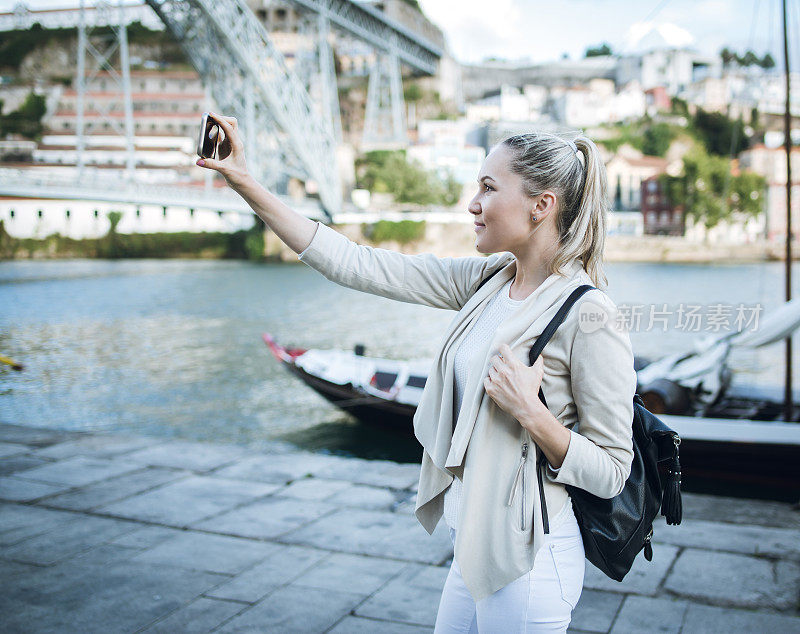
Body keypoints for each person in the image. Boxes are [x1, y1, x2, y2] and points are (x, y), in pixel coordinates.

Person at [196, 112, 637, 633]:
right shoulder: (488, 281)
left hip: (530, 561)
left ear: (542, 206)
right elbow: (353, 263)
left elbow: (612, 471)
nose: (473, 204)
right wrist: (245, 182)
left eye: (489, 188)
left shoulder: (589, 314)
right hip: (474, 545)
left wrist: (531, 414)